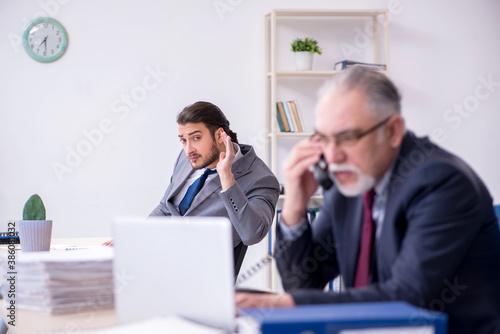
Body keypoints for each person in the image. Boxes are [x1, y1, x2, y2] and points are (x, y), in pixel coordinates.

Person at [235, 67, 500, 334]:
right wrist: (294, 204)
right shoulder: (350, 182)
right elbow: (303, 284)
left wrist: (283, 304)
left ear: (394, 131)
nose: (333, 156)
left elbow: (407, 296)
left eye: (347, 138)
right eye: (323, 139)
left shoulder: (441, 182)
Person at [150, 101, 280, 265]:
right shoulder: (187, 158)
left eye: (196, 138)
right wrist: (135, 237)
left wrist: (226, 177)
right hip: (164, 255)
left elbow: (252, 234)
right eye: (183, 140)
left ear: (219, 135)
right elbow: (165, 208)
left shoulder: (261, 179)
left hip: (204, 270)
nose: (188, 149)